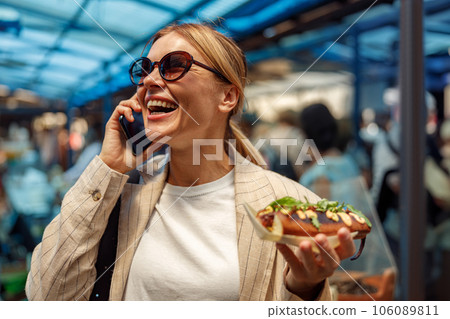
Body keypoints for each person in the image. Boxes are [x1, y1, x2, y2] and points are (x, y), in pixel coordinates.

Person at [25, 23, 355, 301]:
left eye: (174, 65)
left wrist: (304, 287)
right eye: (144, 69)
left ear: (227, 96)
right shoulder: (118, 193)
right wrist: (108, 166)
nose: (149, 81)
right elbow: (47, 296)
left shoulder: (293, 208)